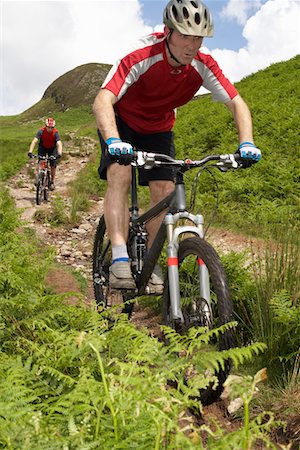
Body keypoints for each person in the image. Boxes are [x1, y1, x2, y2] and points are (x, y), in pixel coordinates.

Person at [93, 0, 261, 292]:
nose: (192, 44)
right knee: (119, 174)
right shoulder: (141, 55)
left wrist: (246, 142)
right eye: (185, 35)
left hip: (158, 127)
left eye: (198, 37)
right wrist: (113, 141)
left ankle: (151, 262)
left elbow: (237, 103)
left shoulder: (202, 64)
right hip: (121, 120)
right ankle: (119, 253)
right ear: (168, 32)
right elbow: (103, 100)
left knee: (164, 192)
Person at [28, 117, 63, 190]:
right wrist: (30, 151)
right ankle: (39, 176)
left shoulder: (55, 133)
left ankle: (52, 182)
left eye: (52, 127)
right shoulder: (41, 131)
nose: (50, 129)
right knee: (41, 161)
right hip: (43, 147)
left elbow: (59, 143)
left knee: (53, 165)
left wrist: (59, 153)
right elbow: (34, 141)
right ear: (45, 126)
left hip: (52, 148)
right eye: (48, 127)